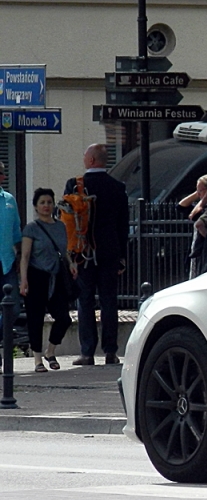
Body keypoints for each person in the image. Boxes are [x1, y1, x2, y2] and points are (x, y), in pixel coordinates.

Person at [64, 144, 129, 366]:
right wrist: (122, 254)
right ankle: (110, 351)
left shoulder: (75, 185)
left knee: (85, 300)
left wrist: (70, 254)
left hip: (83, 251)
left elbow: (67, 220)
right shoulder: (117, 187)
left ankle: (87, 352)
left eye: (85, 156)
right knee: (109, 300)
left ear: (91, 160)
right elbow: (123, 225)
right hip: (110, 250)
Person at [19, 188, 73, 372]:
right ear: (35, 206)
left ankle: (51, 351)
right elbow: (25, 256)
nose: (46, 206)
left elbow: (63, 250)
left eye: (49, 202)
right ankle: (37, 360)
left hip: (56, 276)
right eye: (42, 202)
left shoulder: (60, 226)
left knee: (64, 318)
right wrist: (24, 280)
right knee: (36, 319)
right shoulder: (31, 228)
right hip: (36, 276)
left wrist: (71, 263)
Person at [181, 173, 207, 278]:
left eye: (201, 190)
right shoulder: (203, 207)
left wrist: (206, 196)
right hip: (200, 253)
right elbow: (181, 206)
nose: (199, 194)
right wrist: (198, 192)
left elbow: (193, 215)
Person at [0, 161, 23, 297]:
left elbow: (16, 232)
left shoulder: (9, 200)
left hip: (7, 263)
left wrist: (20, 256)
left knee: (12, 308)